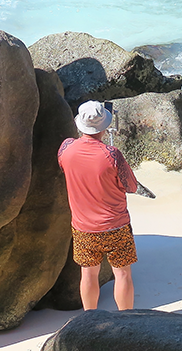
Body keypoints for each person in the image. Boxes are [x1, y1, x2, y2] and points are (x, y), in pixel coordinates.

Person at [57, 101, 139, 310]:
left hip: (83, 227)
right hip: (116, 226)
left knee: (88, 273)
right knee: (122, 273)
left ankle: (89, 319)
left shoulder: (65, 149)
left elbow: (65, 166)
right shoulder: (112, 155)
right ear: (104, 126)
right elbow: (131, 186)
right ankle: (126, 319)